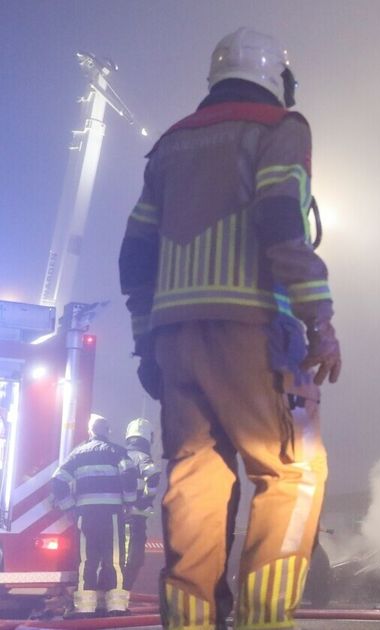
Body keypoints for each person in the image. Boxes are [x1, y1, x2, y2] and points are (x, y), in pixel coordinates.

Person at [118, 27, 342, 630]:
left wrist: (146, 341)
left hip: (175, 342)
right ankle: (264, 622)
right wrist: (319, 318)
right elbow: (278, 216)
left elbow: (135, 254)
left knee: (194, 481)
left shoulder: (169, 146)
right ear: (277, 80)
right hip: (255, 331)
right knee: (292, 471)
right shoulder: (280, 129)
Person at [51, 414, 138, 617]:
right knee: (114, 559)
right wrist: (129, 502)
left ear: (90, 432)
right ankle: (116, 607)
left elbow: (58, 480)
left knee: (87, 560)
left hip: (86, 514)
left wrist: (69, 507)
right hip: (112, 514)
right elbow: (129, 475)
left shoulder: (77, 454)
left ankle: (85, 608)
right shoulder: (118, 452)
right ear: (107, 431)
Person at [121, 418, 162, 590]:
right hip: (135, 517)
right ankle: (121, 596)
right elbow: (153, 475)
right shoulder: (143, 458)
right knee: (132, 558)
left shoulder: (118, 456)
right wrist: (146, 499)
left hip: (115, 515)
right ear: (148, 438)